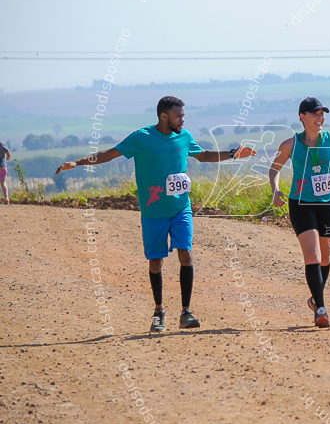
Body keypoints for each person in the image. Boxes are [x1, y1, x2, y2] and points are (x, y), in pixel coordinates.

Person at [56, 95, 257, 332]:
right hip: (153, 212)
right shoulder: (142, 138)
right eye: (179, 115)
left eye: (183, 114)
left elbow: (203, 155)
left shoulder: (184, 136)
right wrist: (77, 162)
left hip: (181, 208)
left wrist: (233, 153)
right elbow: (110, 154)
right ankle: (159, 311)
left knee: (186, 254)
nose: (183, 119)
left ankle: (186, 312)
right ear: (164, 116)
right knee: (155, 262)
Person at [268, 97, 330, 329]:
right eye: (315, 114)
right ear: (302, 116)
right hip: (301, 204)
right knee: (313, 256)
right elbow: (274, 169)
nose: (320, 118)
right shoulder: (290, 144)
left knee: (325, 257)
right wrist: (276, 190)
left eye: (322, 114)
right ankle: (321, 309)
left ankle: (315, 299)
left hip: (328, 203)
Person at [0, 140, 10, 204]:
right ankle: (6, 197)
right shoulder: (3, 143)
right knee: (3, 182)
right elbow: (9, 155)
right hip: (3, 167)